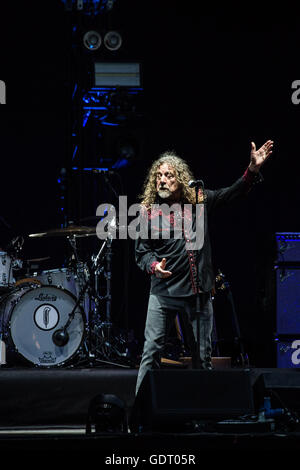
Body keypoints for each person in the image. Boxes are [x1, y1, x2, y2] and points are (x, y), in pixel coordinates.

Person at [134, 140, 274, 395]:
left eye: (168, 175)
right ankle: (139, 415)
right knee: (151, 351)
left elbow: (230, 193)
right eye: (158, 176)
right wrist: (155, 266)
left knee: (202, 357)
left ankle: (202, 417)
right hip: (163, 292)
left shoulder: (199, 201)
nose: (162, 180)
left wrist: (251, 171)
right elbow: (142, 252)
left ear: (181, 178)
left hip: (198, 294)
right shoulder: (148, 212)